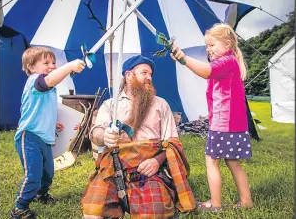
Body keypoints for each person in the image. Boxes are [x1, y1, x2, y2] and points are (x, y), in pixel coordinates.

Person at [81, 55, 196, 218]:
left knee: (154, 212)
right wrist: (105, 136)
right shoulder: (111, 105)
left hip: (148, 168)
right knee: (93, 211)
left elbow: (172, 142)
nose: (149, 77)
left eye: (150, 74)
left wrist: (156, 161)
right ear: (128, 75)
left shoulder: (161, 104)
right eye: (144, 73)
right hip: (114, 165)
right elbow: (96, 133)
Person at [170, 23, 253, 211]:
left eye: (212, 45)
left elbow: (207, 72)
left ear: (228, 44)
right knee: (233, 162)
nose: (209, 50)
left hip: (224, 124)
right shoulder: (230, 62)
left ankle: (215, 204)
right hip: (234, 124)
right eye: (207, 46)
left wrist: (183, 59)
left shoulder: (226, 62)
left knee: (211, 161)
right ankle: (246, 201)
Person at [10, 47, 86, 219]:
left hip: (44, 137)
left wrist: (52, 124)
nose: (52, 66)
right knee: (33, 174)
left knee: (48, 173)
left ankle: (41, 195)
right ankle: (19, 208)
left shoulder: (49, 89)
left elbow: (42, 110)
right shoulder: (35, 80)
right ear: (31, 68)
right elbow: (50, 80)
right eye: (46, 63)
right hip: (28, 136)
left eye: (53, 62)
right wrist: (69, 67)